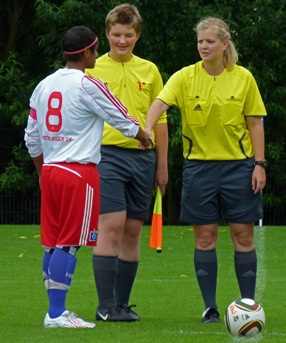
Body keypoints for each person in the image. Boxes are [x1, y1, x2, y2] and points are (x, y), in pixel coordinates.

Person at [24, 26, 151, 328]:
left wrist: (44, 171)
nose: (97, 54)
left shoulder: (43, 85)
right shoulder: (87, 84)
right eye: (95, 49)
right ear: (86, 53)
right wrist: (141, 135)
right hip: (78, 171)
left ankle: (55, 309)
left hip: (52, 169)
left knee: (53, 243)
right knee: (69, 243)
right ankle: (56, 313)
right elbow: (119, 114)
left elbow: (31, 137)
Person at [141, 17, 266, 323]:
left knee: (243, 237)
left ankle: (247, 305)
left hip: (240, 168)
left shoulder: (244, 77)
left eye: (209, 41)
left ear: (225, 44)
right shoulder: (184, 76)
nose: (203, 46)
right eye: (200, 41)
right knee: (205, 238)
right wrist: (145, 127)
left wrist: (259, 165)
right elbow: (158, 104)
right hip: (199, 169)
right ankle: (210, 307)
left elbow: (254, 123)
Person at [85, 4, 168, 322]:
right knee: (112, 225)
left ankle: (121, 305)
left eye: (129, 35)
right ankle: (104, 306)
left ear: (138, 35)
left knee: (133, 231)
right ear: (106, 34)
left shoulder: (150, 70)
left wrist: (162, 164)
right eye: (116, 35)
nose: (122, 41)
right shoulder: (91, 69)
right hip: (105, 156)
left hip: (143, 159)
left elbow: (160, 122)